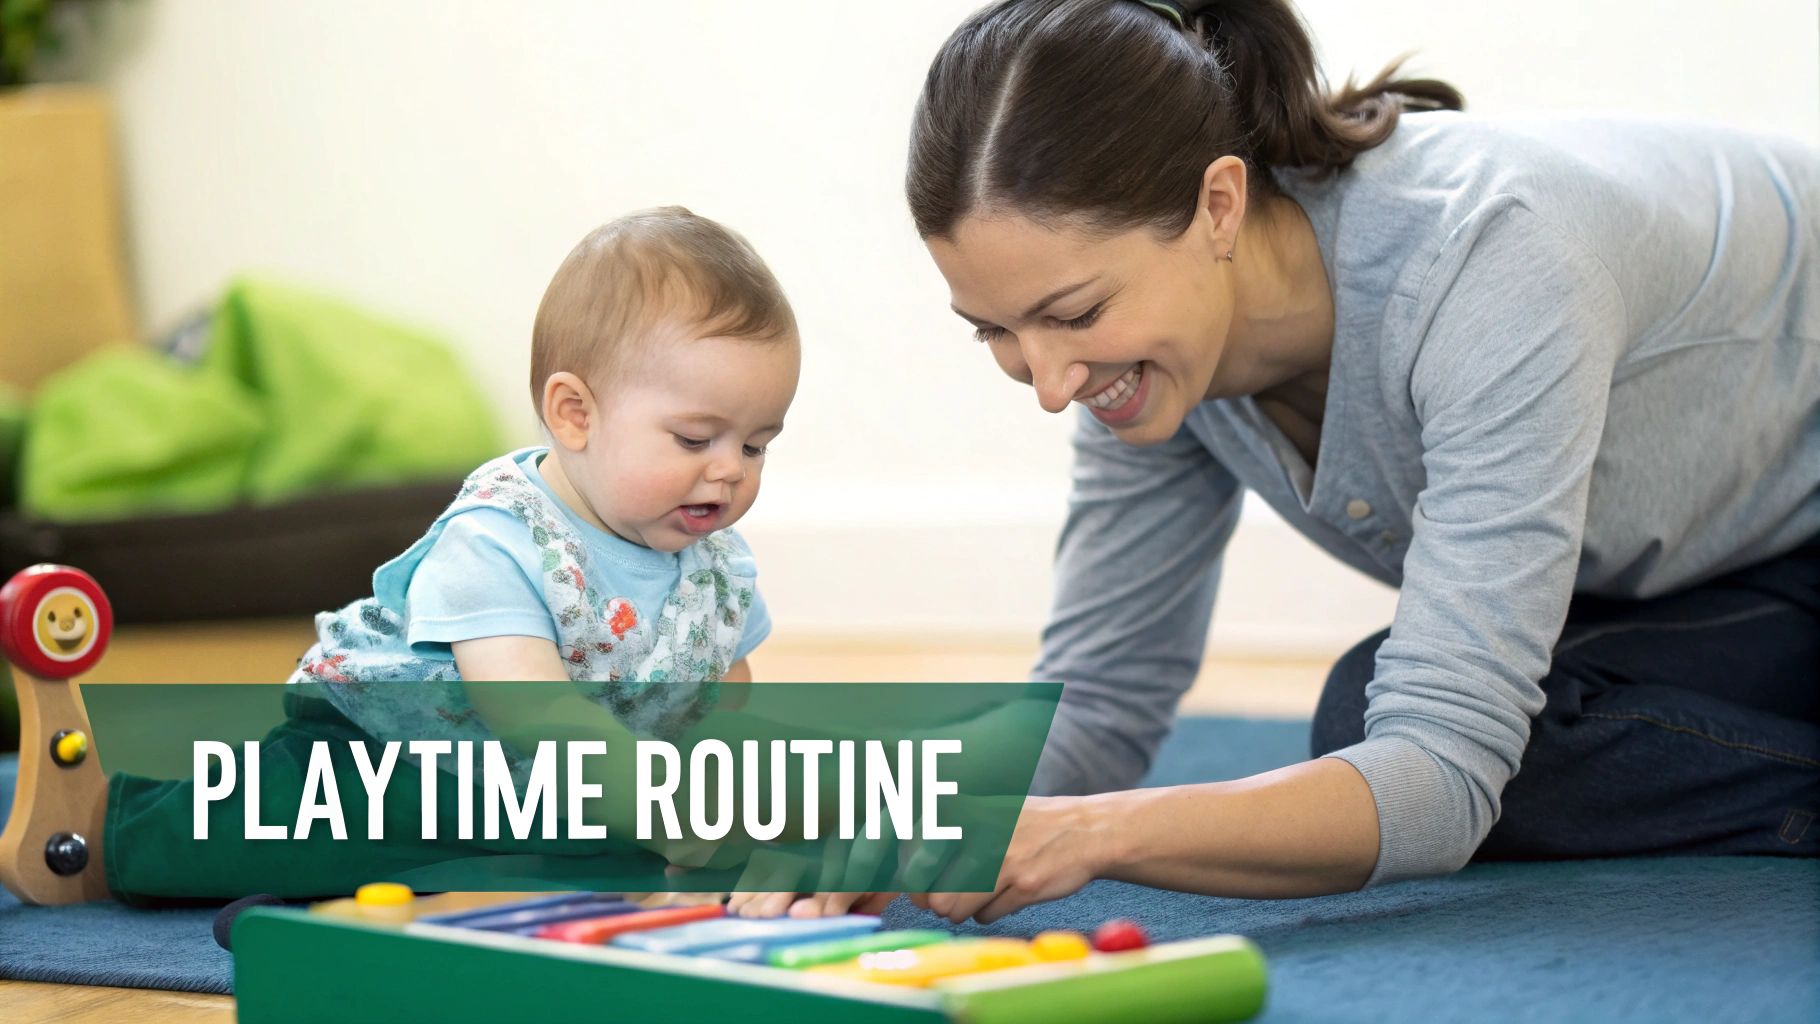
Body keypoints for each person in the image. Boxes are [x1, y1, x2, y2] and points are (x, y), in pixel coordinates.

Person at [758, 0, 1820, 924]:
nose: (1045, 382)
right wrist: (892, 815)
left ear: (1217, 204)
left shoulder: (1491, 260)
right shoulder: (1135, 364)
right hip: (1728, 571)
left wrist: (1090, 836)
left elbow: (1439, 785)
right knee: (1369, 715)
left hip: (1792, 536)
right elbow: (1096, 704)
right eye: (993, 331)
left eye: (1070, 313)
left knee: (1416, 756)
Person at [88, 206, 802, 901]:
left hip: (551, 784)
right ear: (574, 414)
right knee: (269, 838)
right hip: (383, 755)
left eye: (754, 445)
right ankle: (105, 831)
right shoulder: (499, 538)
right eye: (693, 439)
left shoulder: (716, 567)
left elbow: (722, 700)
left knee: (580, 853)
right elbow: (537, 712)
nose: (730, 470)